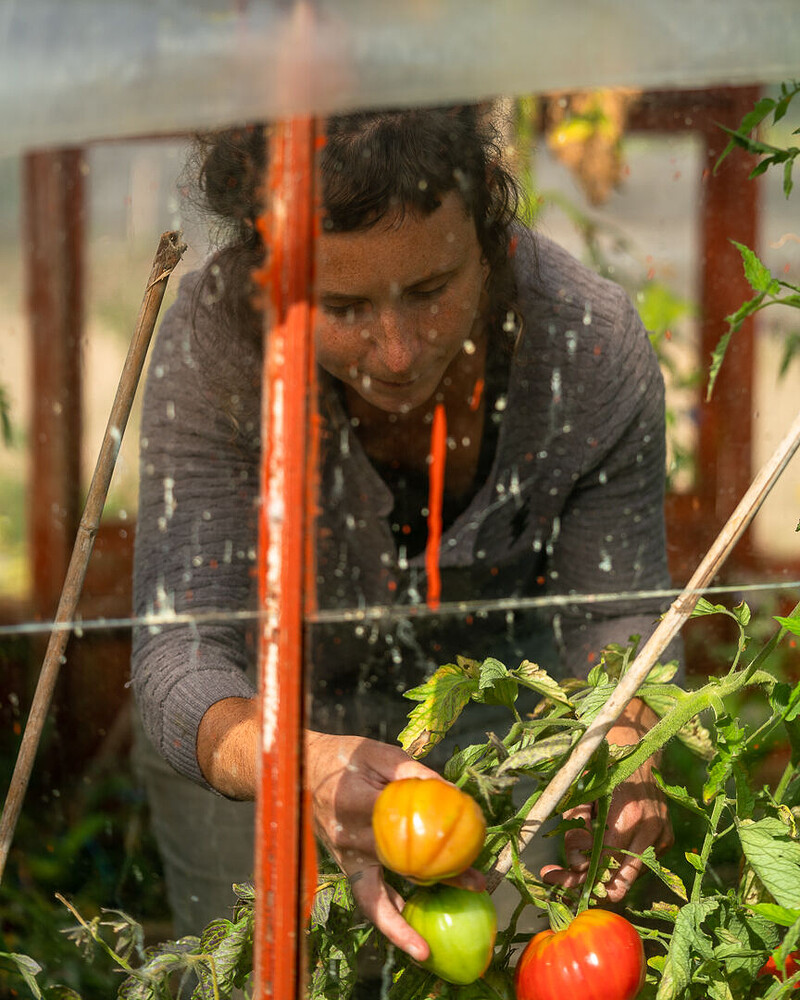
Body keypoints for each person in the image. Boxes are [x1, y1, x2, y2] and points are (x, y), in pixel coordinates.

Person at [131, 104, 678, 965]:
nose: (396, 352)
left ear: (491, 247)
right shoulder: (219, 342)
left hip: (498, 738)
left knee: (498, 964)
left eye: (430, 291)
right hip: (250, 743)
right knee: (255, 969)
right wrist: (291, 766)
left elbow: (618, 619)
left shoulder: (585, 342)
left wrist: (625, 738)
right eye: (341, 306)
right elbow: (182, 655)